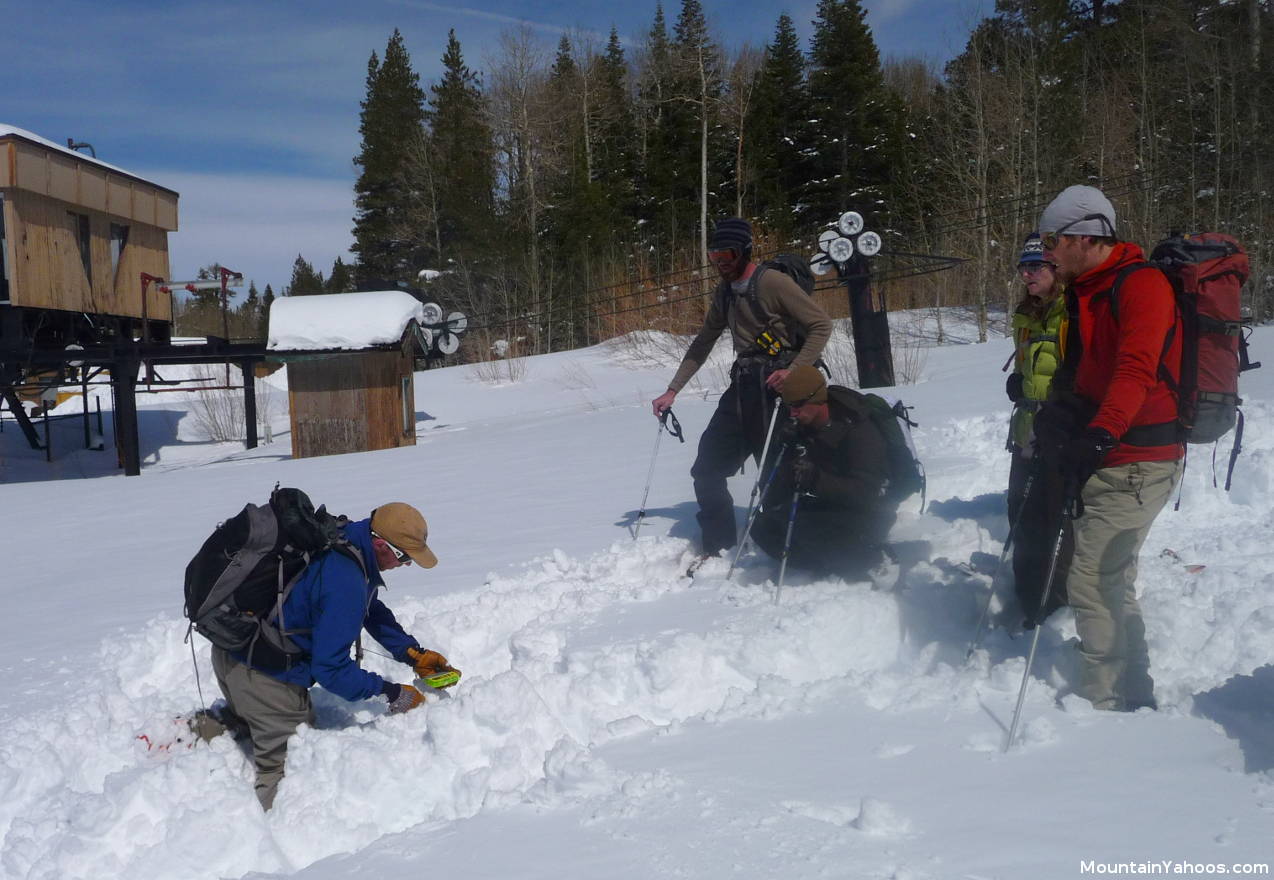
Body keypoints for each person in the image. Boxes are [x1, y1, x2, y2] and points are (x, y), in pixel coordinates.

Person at [1033, 185, 1183, 712]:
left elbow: (1136, 368)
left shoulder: (1141, 286)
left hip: (1139, 458)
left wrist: (1100, 432)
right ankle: (1132, 688)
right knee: (1111, 577)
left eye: (1053, 239)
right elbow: (1089, 370)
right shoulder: (1087, 289)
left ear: (1083, 236)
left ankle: (1108, 702)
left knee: (1092, 578)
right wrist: (1064, 414)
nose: (1046, 251)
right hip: (1109, 455)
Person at [208, 502, 458, 809]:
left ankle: (193, 734)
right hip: (263, 673)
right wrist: (392, 693)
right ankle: (269, 844)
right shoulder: (346, 580)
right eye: (403, 556)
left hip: (236, 648)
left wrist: (411, 653)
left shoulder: (347, 540)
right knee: (291, 771)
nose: (406, 564)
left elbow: (371, 609)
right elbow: (330, 670)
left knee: (246, 722)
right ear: (382, 544)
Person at [650, 217, 832, 572]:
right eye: (715, 255)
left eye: (727, 254)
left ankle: (780, 549)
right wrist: (672, 390)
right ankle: (718, 546)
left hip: (778, 388)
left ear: (744, 251)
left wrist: (794, 372)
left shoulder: (772, 283)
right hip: (743, 384)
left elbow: (821, 325)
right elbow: (703, 342)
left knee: (775, 474)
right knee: (706, 467)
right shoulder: (725, 292)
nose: (720, 262)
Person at [749, 365, 896, 579]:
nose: (793, 412)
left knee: (809, 532)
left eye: (798, 405)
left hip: (869, 511)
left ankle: (872, 560)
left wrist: (815, 479)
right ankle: (829, 565)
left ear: (817, 399)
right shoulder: (804, 424)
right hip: (830, 504)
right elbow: (785, 480)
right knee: (763, 527)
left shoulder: (858, 430)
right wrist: (784, 449)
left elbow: (867, 491)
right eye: (789, 406)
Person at [1004, 232, 1072, 628]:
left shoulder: (1071, 310)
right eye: (1023, 267)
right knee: (1020, 512)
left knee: (1055, 519)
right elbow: (1027, 366)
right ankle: (1027, 599)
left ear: (1055, 269)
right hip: (1026, 430)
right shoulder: (1025, 314)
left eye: (1035, 267)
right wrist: (1017, 382)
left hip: (1061, 431)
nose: (1027, 275)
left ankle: (1054, 604)